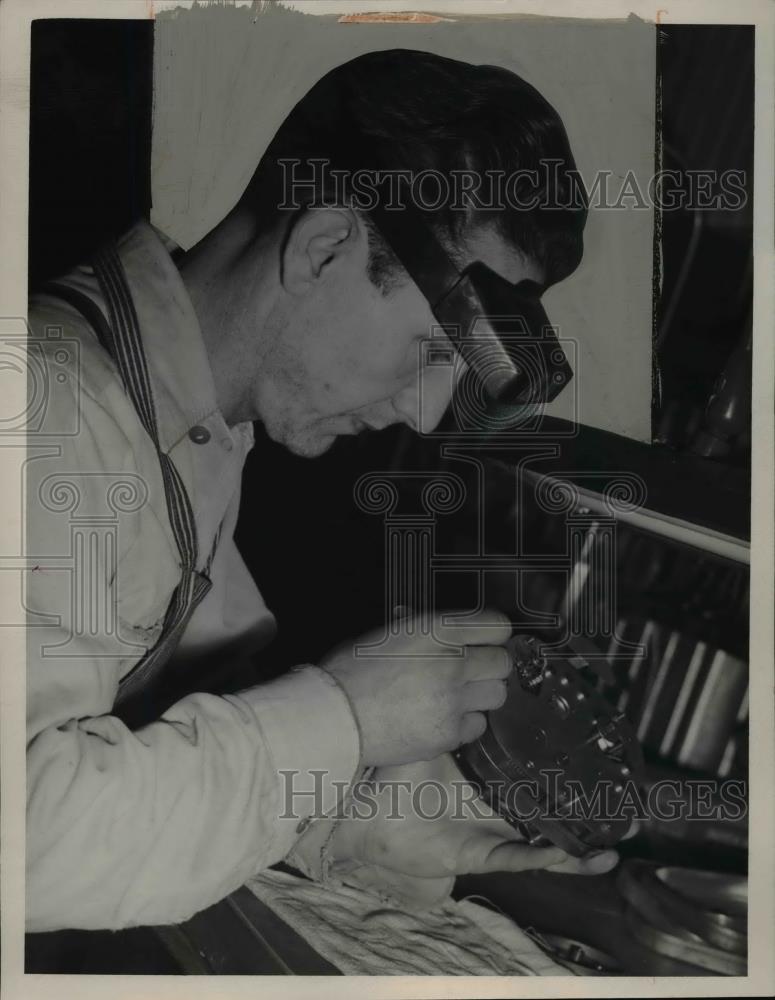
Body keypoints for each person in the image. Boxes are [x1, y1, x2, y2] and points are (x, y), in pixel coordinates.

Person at [26, 49, 611, 934]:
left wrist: (351, 824)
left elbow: (166, 740)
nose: (423, 415)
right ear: (325, 244)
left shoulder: (186, 431)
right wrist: (345, 717)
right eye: (431, 354)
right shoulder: (47, 408)